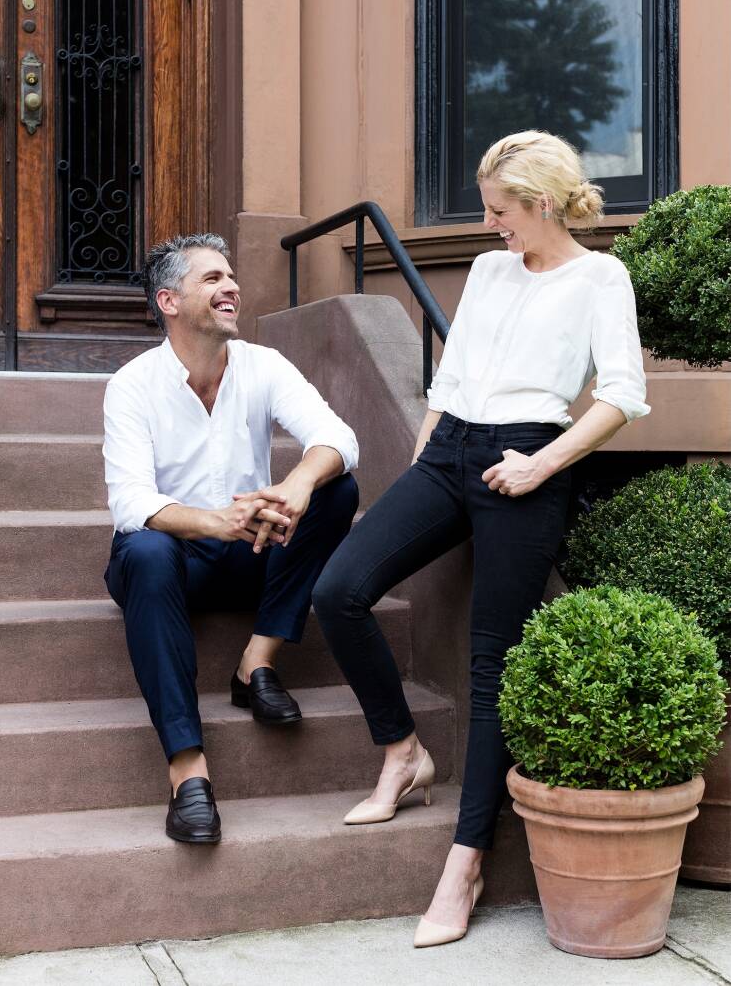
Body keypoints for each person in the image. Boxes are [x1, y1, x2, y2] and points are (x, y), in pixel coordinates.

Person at [312, 130, 650, 947]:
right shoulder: (492, 269)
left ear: (541, 204)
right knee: (340, 589)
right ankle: (401, 752)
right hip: (451, 448)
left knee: (491, 660)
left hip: (530, 455)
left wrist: (539, 465)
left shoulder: (600, 275)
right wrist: (429, 467)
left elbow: (622, 394)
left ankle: (464, 861)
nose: (490, 225)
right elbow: (451, 376)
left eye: (500, 211)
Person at [103, 233, 359, 844]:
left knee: (336, 488)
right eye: (213, 279)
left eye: (231, 276)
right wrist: (216, 520)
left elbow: (339, 437)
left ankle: (256, 664)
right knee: (145, 547)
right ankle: (188, 773)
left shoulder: (263, 365)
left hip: (251, 551)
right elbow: (131, 501)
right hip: (175, 559)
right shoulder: (132, 385)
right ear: (169, 300)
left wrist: (295, 485)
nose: (232, 288)